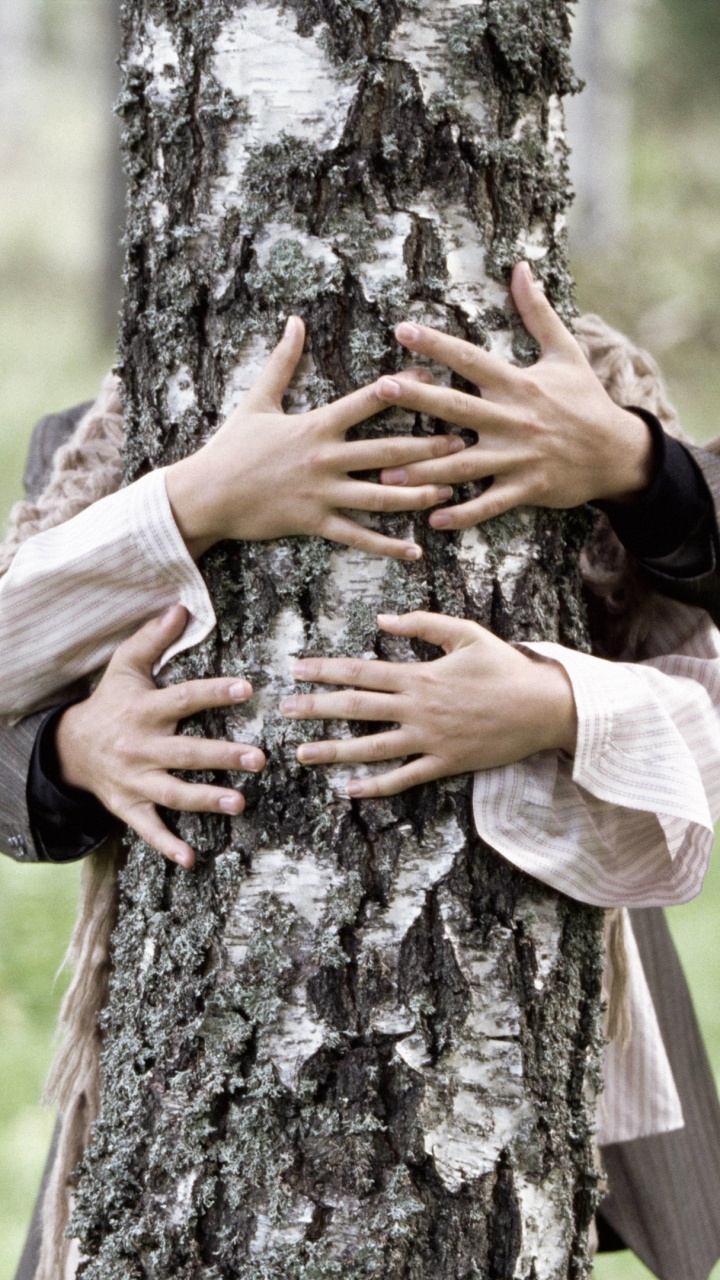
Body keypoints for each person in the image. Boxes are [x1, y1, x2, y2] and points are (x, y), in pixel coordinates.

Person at [4, 266, 720, 1279]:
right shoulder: (125, 433)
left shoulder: (576, 379)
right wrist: (74, 748)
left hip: (515, 1029)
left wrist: (634, 463)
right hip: (187, 1049)